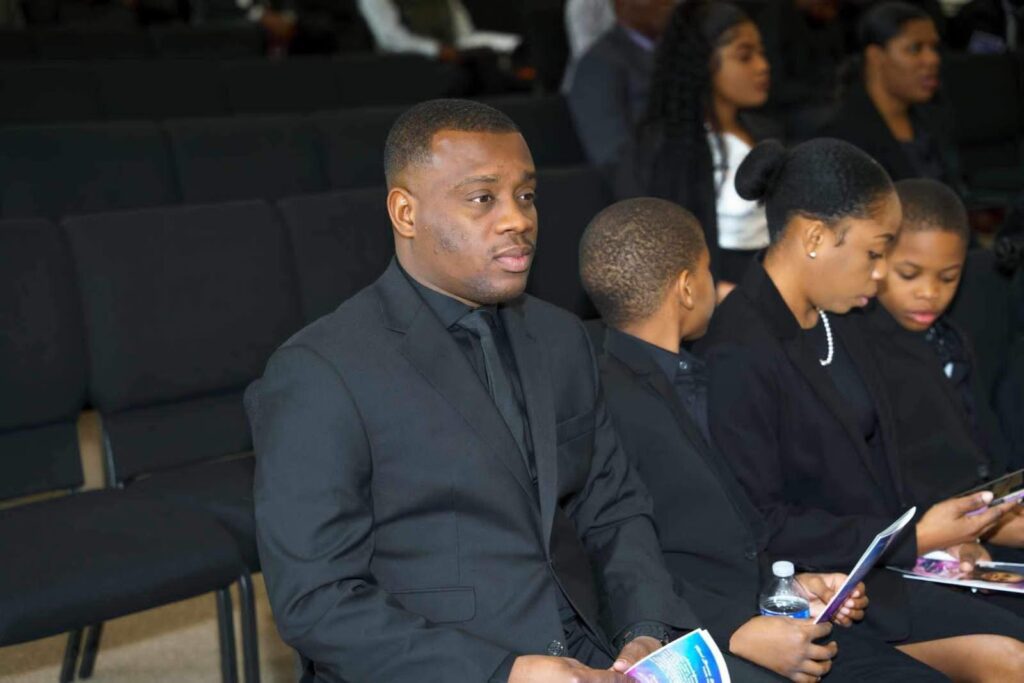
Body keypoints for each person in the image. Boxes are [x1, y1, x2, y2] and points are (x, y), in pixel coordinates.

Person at [246, 98, 702, 682]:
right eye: (483, 198)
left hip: (592, 650)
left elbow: (611, 506)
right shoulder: (320, 371)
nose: (518, 219)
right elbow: (317, 600)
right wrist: (507, 673)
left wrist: (645, 629)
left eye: (526, 195)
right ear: (405, 213)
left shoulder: (560, 335)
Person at [580, 196, 954, 682]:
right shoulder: (609, 399)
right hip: (706, 633)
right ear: (688, 288)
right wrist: (737, 627)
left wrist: (791, 585)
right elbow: (624, 554)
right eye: (709, 270)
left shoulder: (683, 375)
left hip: (763, 603)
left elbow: (733, 531)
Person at [699, 137, 1024, 681]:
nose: (879, 272)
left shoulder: (839, 317)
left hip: (882, 574)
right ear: (815, 238)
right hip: (820, 592)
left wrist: (947, 537)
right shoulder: (741, 349)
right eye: (874, 253)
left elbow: (882, 467)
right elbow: (761, 524)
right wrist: (915, 539)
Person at [857, 179, 1014, 504]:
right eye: (909, 274)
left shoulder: (950, 337)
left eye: (948, 277)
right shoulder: (861, 350)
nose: (930, 293)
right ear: (875, 259)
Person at [616, 0, 776, 296]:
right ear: (703, 62)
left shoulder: (764, 132)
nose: (762, 66)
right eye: (745, 56)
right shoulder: (666, 149)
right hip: (713, 294)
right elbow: (656, 250)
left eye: (761, 53)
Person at [820, 2, 962, 190]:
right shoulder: (842, 138)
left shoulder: (934, 117)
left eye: (934, 48)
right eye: (915, 49)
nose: (932, 59)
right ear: (876, 56)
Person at [566, 0, 676, 170]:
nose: (667, 3)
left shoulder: (681, 52)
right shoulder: (598, 64)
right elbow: (615, 158)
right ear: (621, 5)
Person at [357, 0, 519, 61]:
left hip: (456, 61)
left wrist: (508, 45)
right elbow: (391, 39)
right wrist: (436, 50)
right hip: (405, 66)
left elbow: (463, 36)